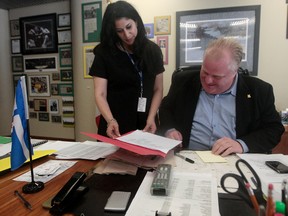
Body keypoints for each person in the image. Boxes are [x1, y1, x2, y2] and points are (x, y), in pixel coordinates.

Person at [158, 37, 284, 156]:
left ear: (235, 72)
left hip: (233, 160)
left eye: (216, 76)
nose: (208, 81)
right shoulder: (183, 81)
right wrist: (170, 130)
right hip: (188, 156)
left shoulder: (259, 91)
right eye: (205, 72)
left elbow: (274, 129)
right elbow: (165, 109)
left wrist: (241, 144)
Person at [89, 1, 165, 139]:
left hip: (147, 123)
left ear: (136, 21)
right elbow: (100, 94)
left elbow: (158, 89)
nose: (127, 34)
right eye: (120, 31)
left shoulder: (153, 51)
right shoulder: (104, 53)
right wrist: (110, 120)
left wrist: (152, 117)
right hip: (115, 125)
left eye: (129, 27)